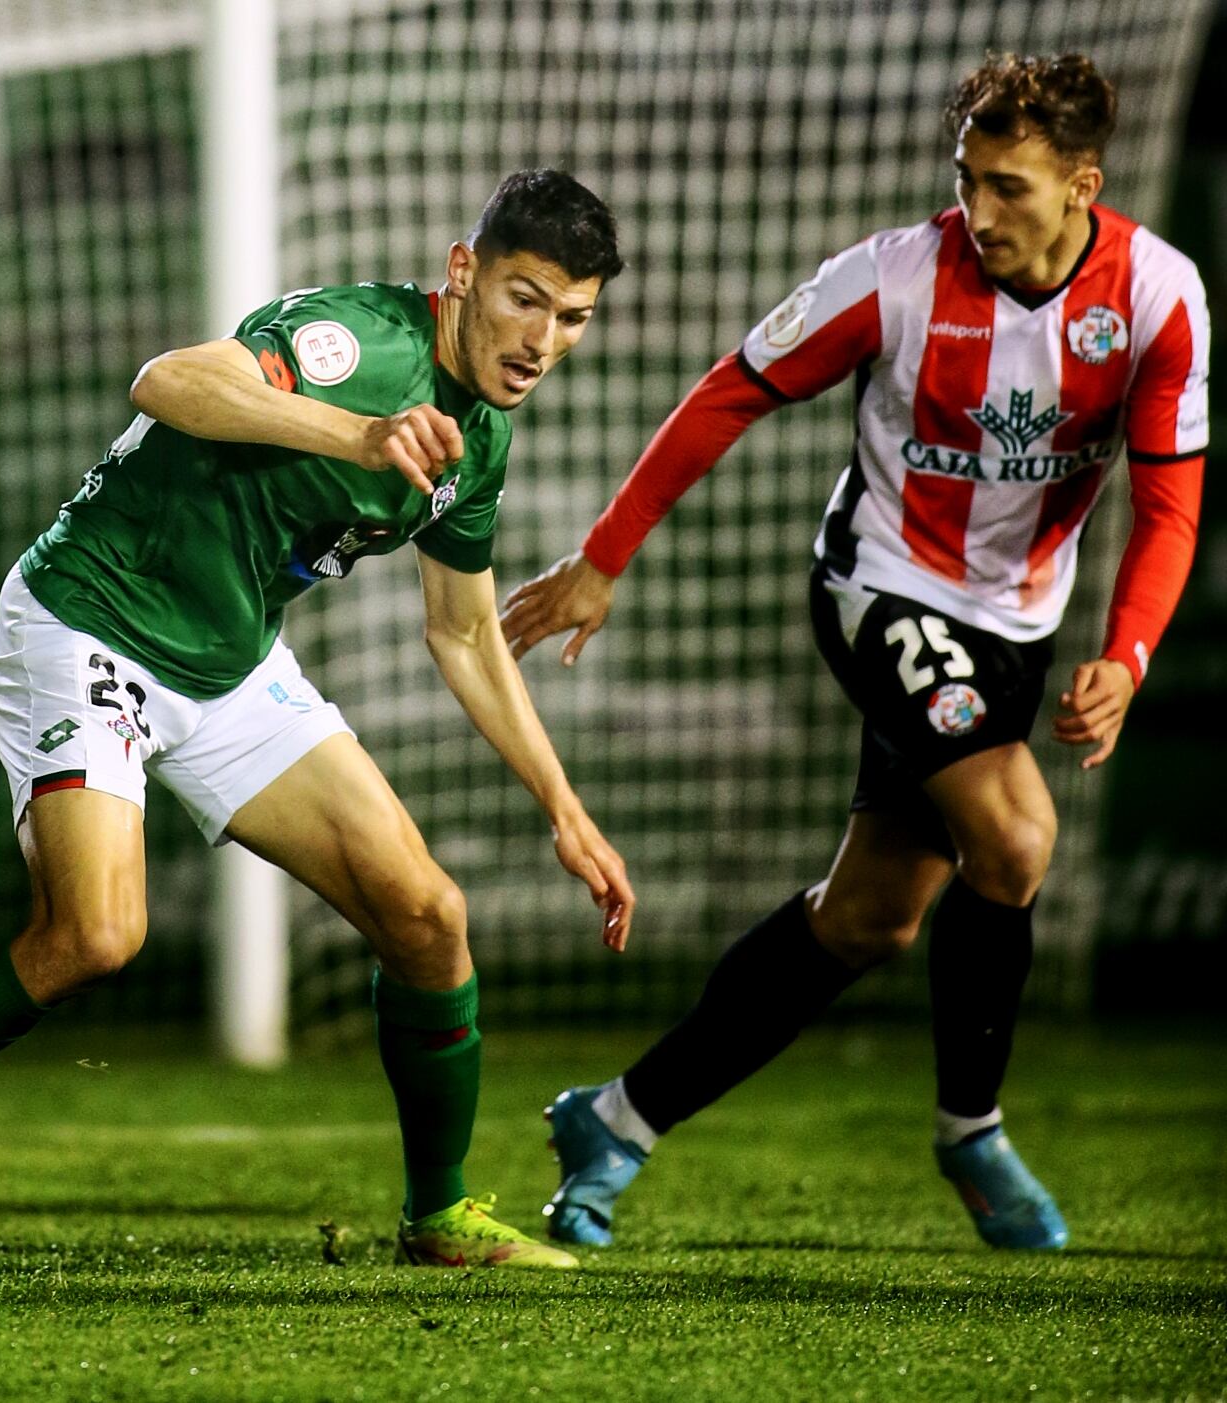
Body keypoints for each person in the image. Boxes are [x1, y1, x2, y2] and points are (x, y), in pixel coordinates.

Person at [0, 169, 635, 1271]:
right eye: (523, 298)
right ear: (463, 272)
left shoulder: (479, 443)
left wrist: (564, 809)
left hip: (227, 665)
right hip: (88, 622)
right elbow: (166, 380)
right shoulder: (357, 344)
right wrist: (352, 436)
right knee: (93, 933)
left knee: (424, 915)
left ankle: (438, 1214)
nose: (541, 339)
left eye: (571, 318)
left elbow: (461, 631)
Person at [501, 53, 1206, 1252]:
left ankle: (612, 1121)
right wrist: (602, 555)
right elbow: (730, 391)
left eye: (1010, 188)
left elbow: (1169, 502)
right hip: (875, 590)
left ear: (1083, 183)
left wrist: (1128, 656)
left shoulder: (1154, 295)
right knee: (1019, 832)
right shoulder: (889, 279)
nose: (978, 211)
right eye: (965, 180)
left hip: (1015, 626)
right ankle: (968, 1128)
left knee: (869, 917)